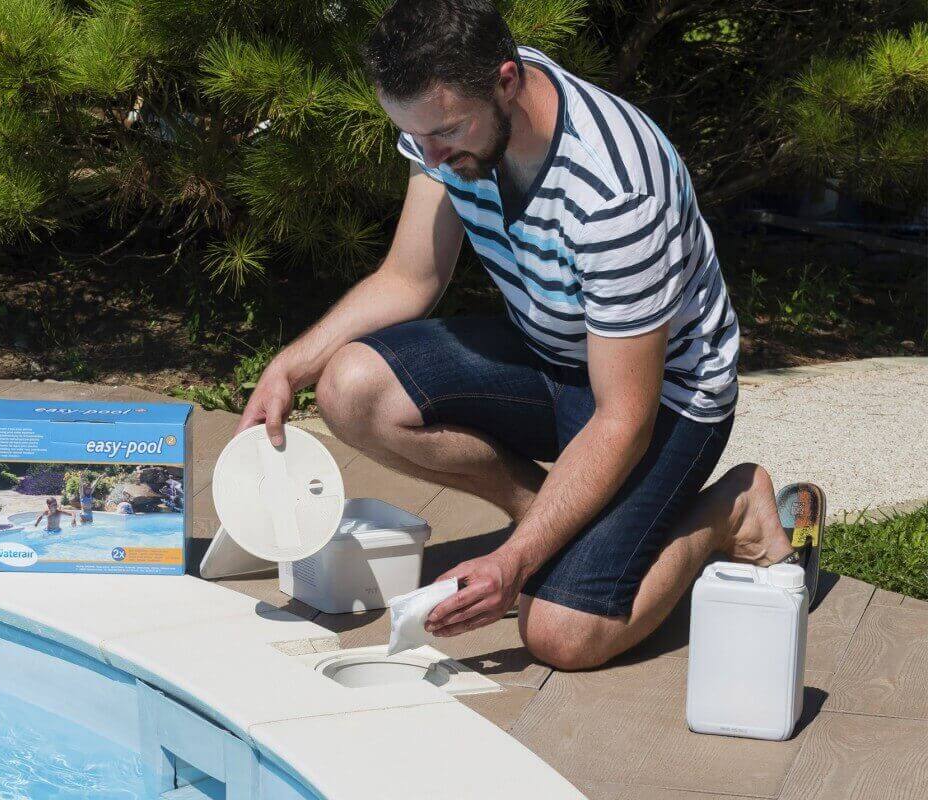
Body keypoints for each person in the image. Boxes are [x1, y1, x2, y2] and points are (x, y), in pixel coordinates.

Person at [237, 0, 824, 670]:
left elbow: (622, 420)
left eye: (444, 132)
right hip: (556, 354)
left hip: (663, 397)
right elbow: (408, 278)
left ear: (507, 81)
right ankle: (551, 519)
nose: (429, 155)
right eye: (413, 135)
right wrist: (290, 367)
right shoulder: (449, 123)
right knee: (349, 389)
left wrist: (513, 565)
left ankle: (732, 512)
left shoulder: (613, 194)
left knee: (559, 635)